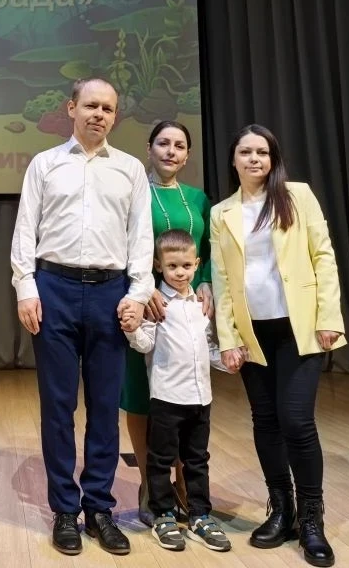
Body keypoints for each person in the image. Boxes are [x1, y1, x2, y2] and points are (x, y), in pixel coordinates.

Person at [11, 76, 155, 556]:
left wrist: (139, 294)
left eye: (108, 108)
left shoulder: (130, 170)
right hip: (53, 288)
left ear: (115, 116)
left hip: (110, 293)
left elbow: (141, 238)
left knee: (105, 406)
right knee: (57, 407)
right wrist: (26, 288)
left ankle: (99, 509)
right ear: (71, 108)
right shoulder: (45, 164)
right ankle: (64, 510)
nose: (99, 114)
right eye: (91, 105)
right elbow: (26, 229)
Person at [209, 124, 345, 568]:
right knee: (266, 421)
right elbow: (223, 280)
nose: (255, 159)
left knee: (296, 421)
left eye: (263, 152)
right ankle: (281, 509)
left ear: (273, 159)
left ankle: (311, 519)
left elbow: (323, 255)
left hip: (298, 328)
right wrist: (228, 338)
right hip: (253, 333)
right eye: (246, 152)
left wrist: (328, 316)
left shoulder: (297, 196)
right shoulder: (222, 212)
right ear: (233, 159)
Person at [120, 120, 213, 520]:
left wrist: (205, 281)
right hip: (147, 306)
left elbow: (209, 250)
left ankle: (183, 483)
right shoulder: (134, 193)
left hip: (187, 308)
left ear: (187, 155)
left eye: (179, 145)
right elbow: (122, 248)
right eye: (163, 143)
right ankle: (150, 484)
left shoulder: (198, 198)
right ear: (149, 148)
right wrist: (144, 289)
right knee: (143, 396)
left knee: (182, 398)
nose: (171, 151)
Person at [123, 228, 233, 553]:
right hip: (167, 400)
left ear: (197, 264)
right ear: (158, 266)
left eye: (186, 265)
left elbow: (208, 348)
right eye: (172, 266)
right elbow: (145, 344)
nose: (180, 272)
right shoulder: (156, 306)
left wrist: (230, 359)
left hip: (201, 400)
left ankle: (199, 515)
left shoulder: (201, 305)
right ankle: (163, 515)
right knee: (159, 461)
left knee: (197, 460)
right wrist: (132, 329)